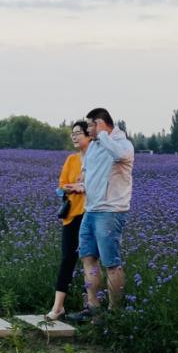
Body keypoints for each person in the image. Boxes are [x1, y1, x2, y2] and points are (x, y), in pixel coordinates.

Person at [68, 107, 134, 323]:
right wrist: (79, 186)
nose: (88, 130)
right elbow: (88, 173)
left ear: (100, 123)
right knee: (88, 258)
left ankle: (115, 313)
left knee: (111, 263)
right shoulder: (95, 147)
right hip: (91, 209)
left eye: (90, 125)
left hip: (110, 211)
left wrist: (104, 134)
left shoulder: (122, 144)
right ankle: (93, 307)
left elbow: (117, 155)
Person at [47, 119, 91, 320]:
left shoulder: (95, 159)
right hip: (72, 215)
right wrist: (76, 186)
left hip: (90, 214)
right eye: (72, 133)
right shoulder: (71, 160)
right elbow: (62, 184)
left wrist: (82, 187)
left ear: (89, 135)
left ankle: (88, 306)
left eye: (78, 132)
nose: (74, 136)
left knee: (89, 260)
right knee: (67, 259)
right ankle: (58, 307)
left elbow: (96, 185)